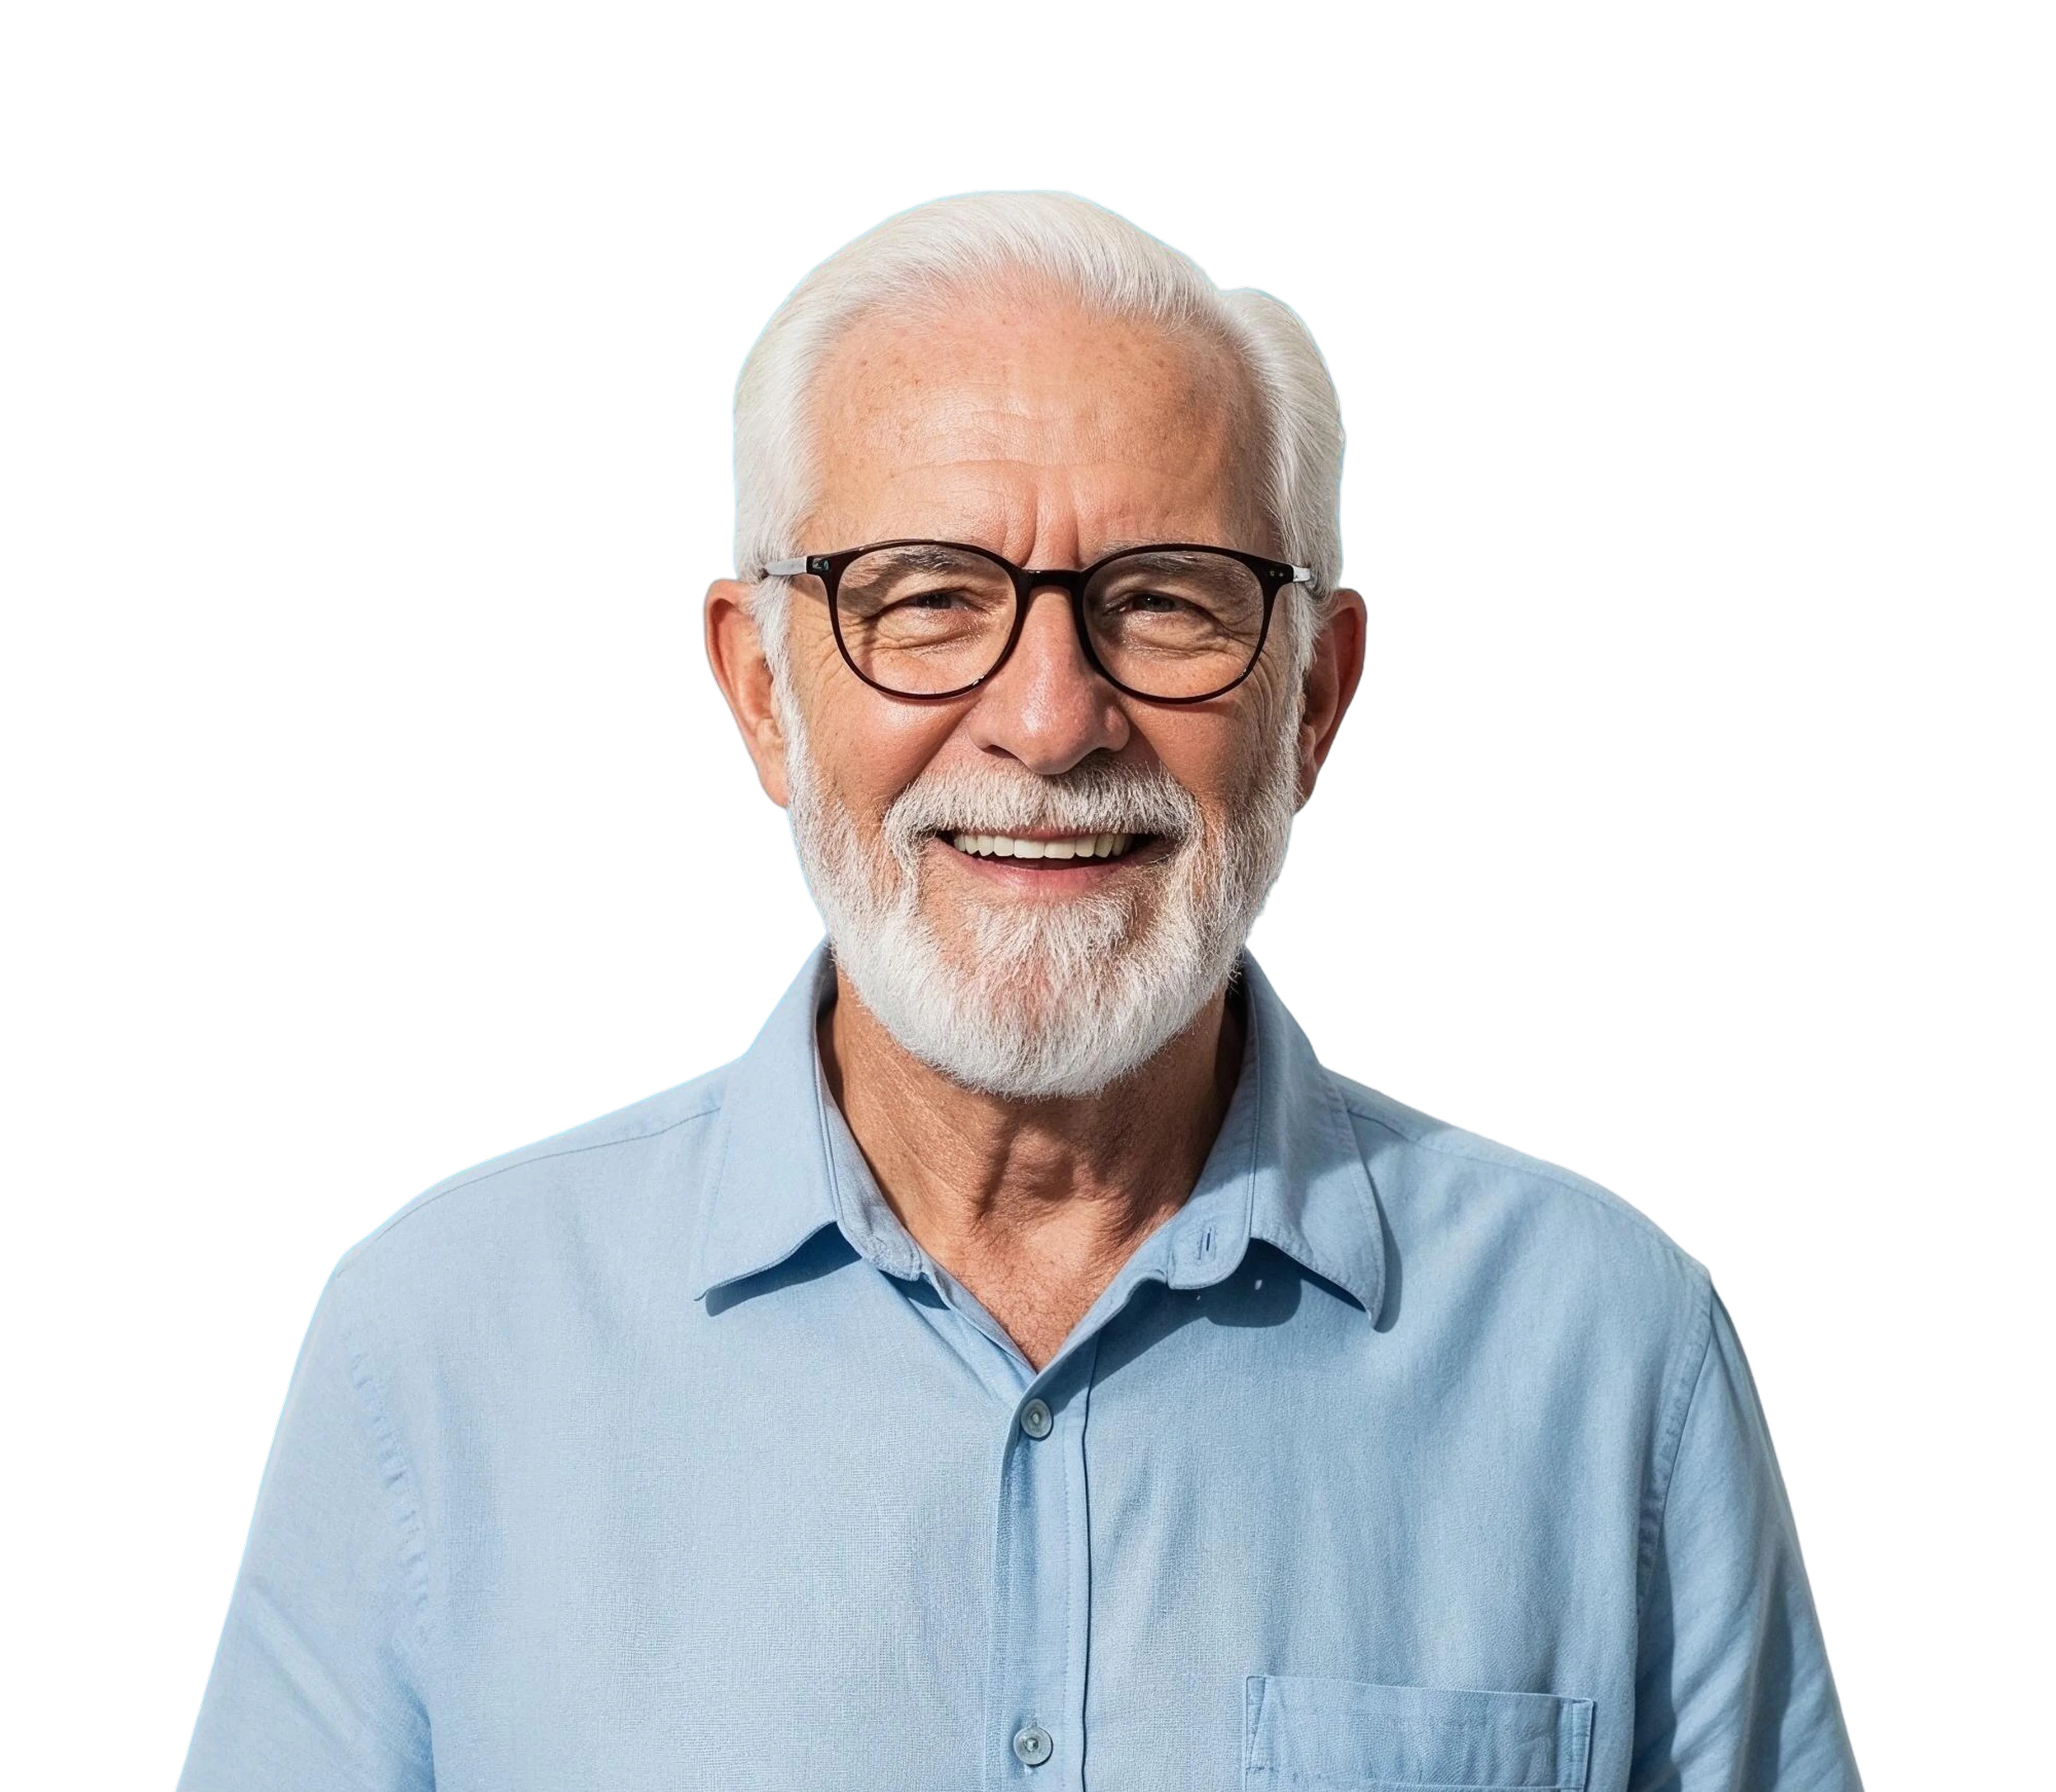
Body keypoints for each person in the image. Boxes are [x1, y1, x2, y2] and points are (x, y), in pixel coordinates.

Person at [179, 189, 1863, 1791]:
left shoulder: (1615, 1356)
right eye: (926, 602)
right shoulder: (436, 1345)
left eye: (1168, 604)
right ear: (762, 692)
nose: (1052, 722)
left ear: (1315, 702)